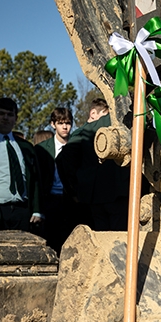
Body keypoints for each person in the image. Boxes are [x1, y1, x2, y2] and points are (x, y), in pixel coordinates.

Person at [57, 99, 128, 231]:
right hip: (119, 192)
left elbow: (64, 159)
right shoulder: (121, 120)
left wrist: (75, 188)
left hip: (93, 195)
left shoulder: (83, 131)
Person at [0, 97, 42, 231]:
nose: (5, 118)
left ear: (15, 118)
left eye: (10, 114)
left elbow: (35, 180)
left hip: (22, 212)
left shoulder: (26, 147)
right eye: (1, 113)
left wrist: (37, 210)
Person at [34, 107, 77, 252]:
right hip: (50, 201)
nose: (65, 127)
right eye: (60, 123)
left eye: (68, 123)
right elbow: (37, 180)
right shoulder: (41, 150)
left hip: (71, 202)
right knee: (50, 243)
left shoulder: (77, 147)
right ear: (53, 125)